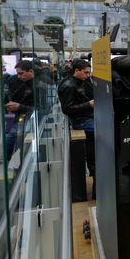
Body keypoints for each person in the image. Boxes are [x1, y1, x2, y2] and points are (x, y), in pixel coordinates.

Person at [58, 59, 96, 196]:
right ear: (76, 71)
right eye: (85, 72)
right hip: (82, 121)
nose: (88, 75)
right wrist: (89, 105)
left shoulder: (82, 81)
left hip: (88, 118)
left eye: (89, 73)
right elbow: (67, 109)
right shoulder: (68, 85)